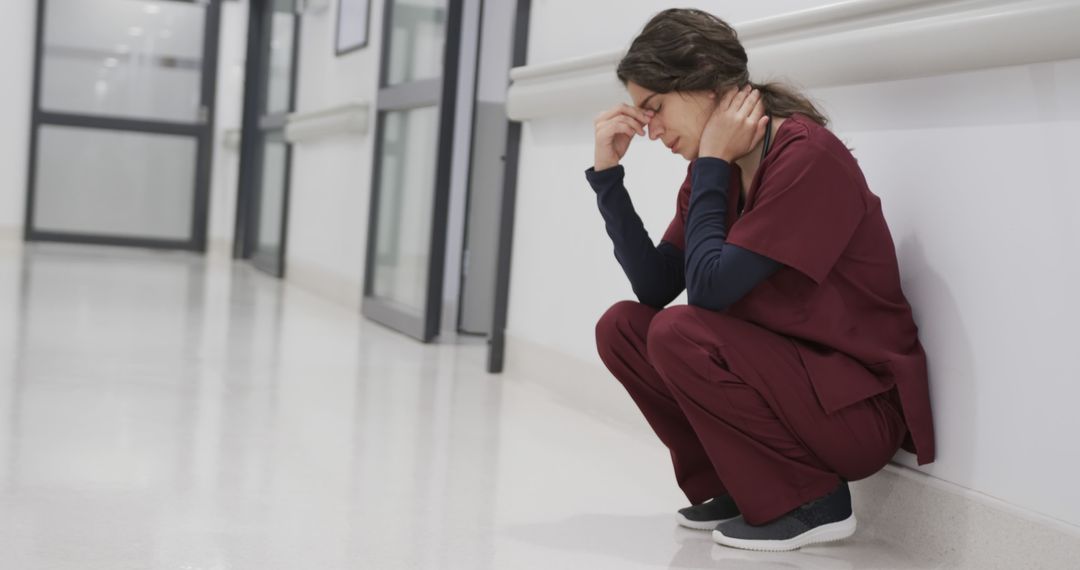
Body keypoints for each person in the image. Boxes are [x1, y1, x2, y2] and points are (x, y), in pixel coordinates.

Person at [588, 8, 935, 552]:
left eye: (654, 108)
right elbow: (655, 287)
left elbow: (707, 291)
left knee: (679, 332)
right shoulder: (716, 171)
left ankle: (812, 500)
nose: (650, 131)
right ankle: (739, 484)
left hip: (856, 415)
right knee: (623, 328)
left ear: (705, 81)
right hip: (798, 389)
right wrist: (608, 178)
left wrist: (711, 164)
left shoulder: (807, 158)